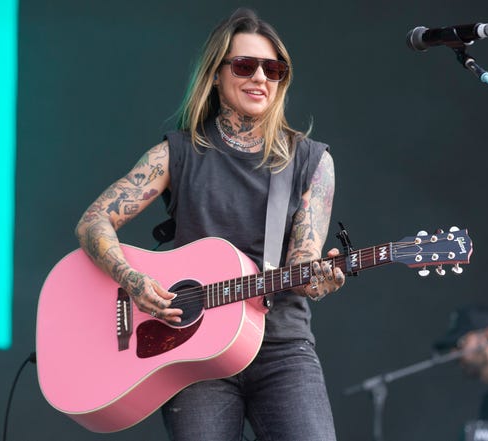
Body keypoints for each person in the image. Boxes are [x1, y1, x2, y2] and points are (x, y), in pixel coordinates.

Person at [74, 7, 345, 441]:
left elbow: (303, 267)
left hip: (281, 350)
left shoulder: (311, 160)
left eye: (273, 69)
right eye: (245, 65)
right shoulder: (177, 153)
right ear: (216, 75)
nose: (261, 78)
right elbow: (93, 221)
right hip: (191, 352)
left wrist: (320, 279)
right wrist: (134, 281)